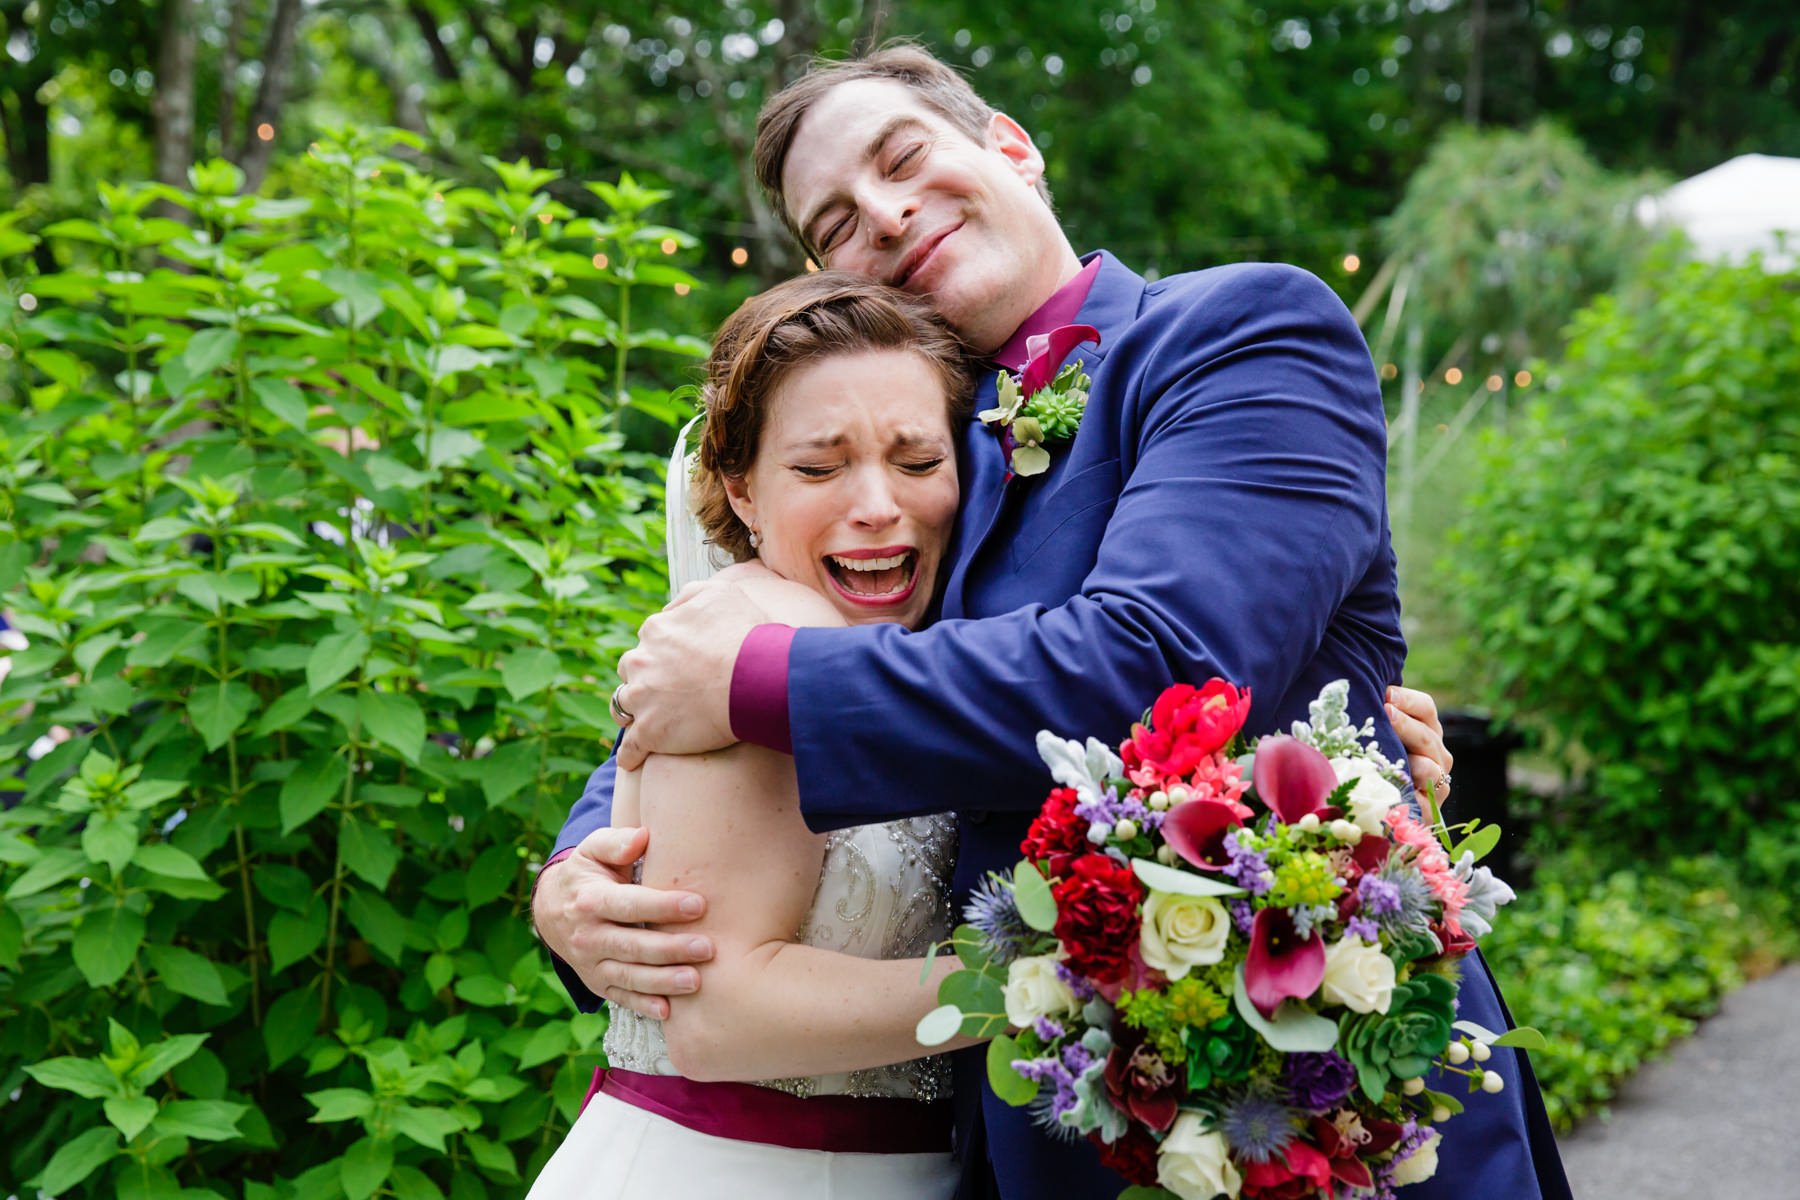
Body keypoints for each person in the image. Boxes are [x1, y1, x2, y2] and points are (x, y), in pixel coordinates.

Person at [536, 44, 1568, 1200]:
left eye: (903, 157)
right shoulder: (908, 446)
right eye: (836, 224)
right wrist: (587, 866)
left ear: (1013, 148)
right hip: (1028, 1148)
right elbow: (733, 641)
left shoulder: (1238, 335)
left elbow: (1168, 667)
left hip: (1311, 1098)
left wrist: (756, 685)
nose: (884, 213)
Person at [527, 274, 981, 1198]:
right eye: (818, 469)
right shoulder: (745, 646)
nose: (878, 506)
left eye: (918, 461)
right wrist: (1049, 988)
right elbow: (721, 1015)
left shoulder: (922, 657)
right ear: (740, 488)